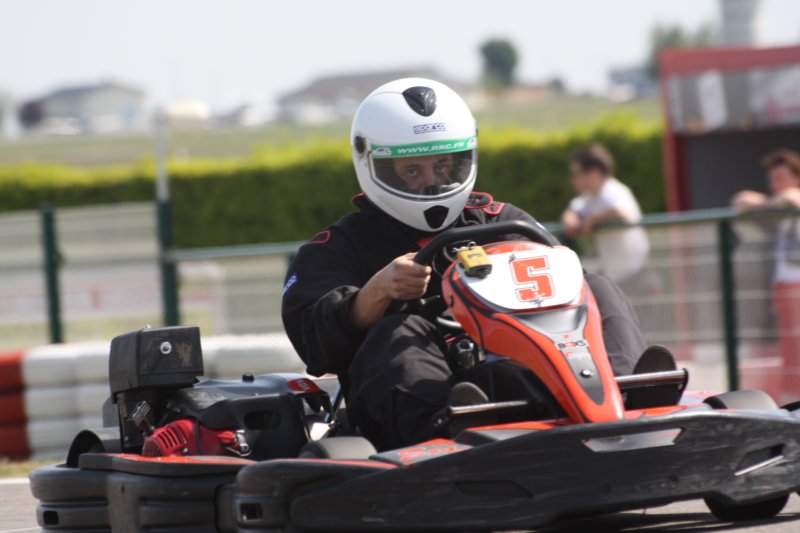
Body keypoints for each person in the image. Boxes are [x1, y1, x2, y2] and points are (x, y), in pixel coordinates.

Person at [281, 78, 652, 451]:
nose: (432, 183)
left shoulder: (502, 221)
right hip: (418, 412)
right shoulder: (338, 247)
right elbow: (315, 345)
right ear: (372, 162)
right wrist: (376, 293)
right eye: (412, 171)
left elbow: (566, 285)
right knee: (400, 330)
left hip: (521, 373)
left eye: (443, 165)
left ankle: (626, 393)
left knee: (596, 288)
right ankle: (449, 431)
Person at [731, 148, 800, 402]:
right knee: (790, 347)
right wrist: (766, 204)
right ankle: (791, 396)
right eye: (773, 179)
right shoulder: (779, 206)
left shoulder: (790, 199)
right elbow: (741, 200)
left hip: (796, 283)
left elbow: (791, 197)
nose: (776, 184)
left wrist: (763, 204)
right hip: (784, 283)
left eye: (781, 177)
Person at [560, 143, 650, 285]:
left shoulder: (613, 190)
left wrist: (593, 220)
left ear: (594, 172)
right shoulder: (591, 196)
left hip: (633, 275)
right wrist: (571, 219)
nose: (573, 179)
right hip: (618, 275)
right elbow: (573, 210)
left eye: (576, 173)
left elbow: (622, 213)